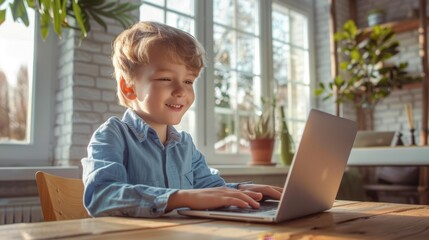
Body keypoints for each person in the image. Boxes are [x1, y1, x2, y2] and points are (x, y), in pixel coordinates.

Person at [81, 21, 283, 218]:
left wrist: (242, 189)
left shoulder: (185, 145)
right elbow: (100, 196)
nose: (181, 91)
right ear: (129, 87)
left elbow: (208, 189)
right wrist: (180, 197)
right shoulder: (112, 134)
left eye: (188, 81)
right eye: (166, 79)